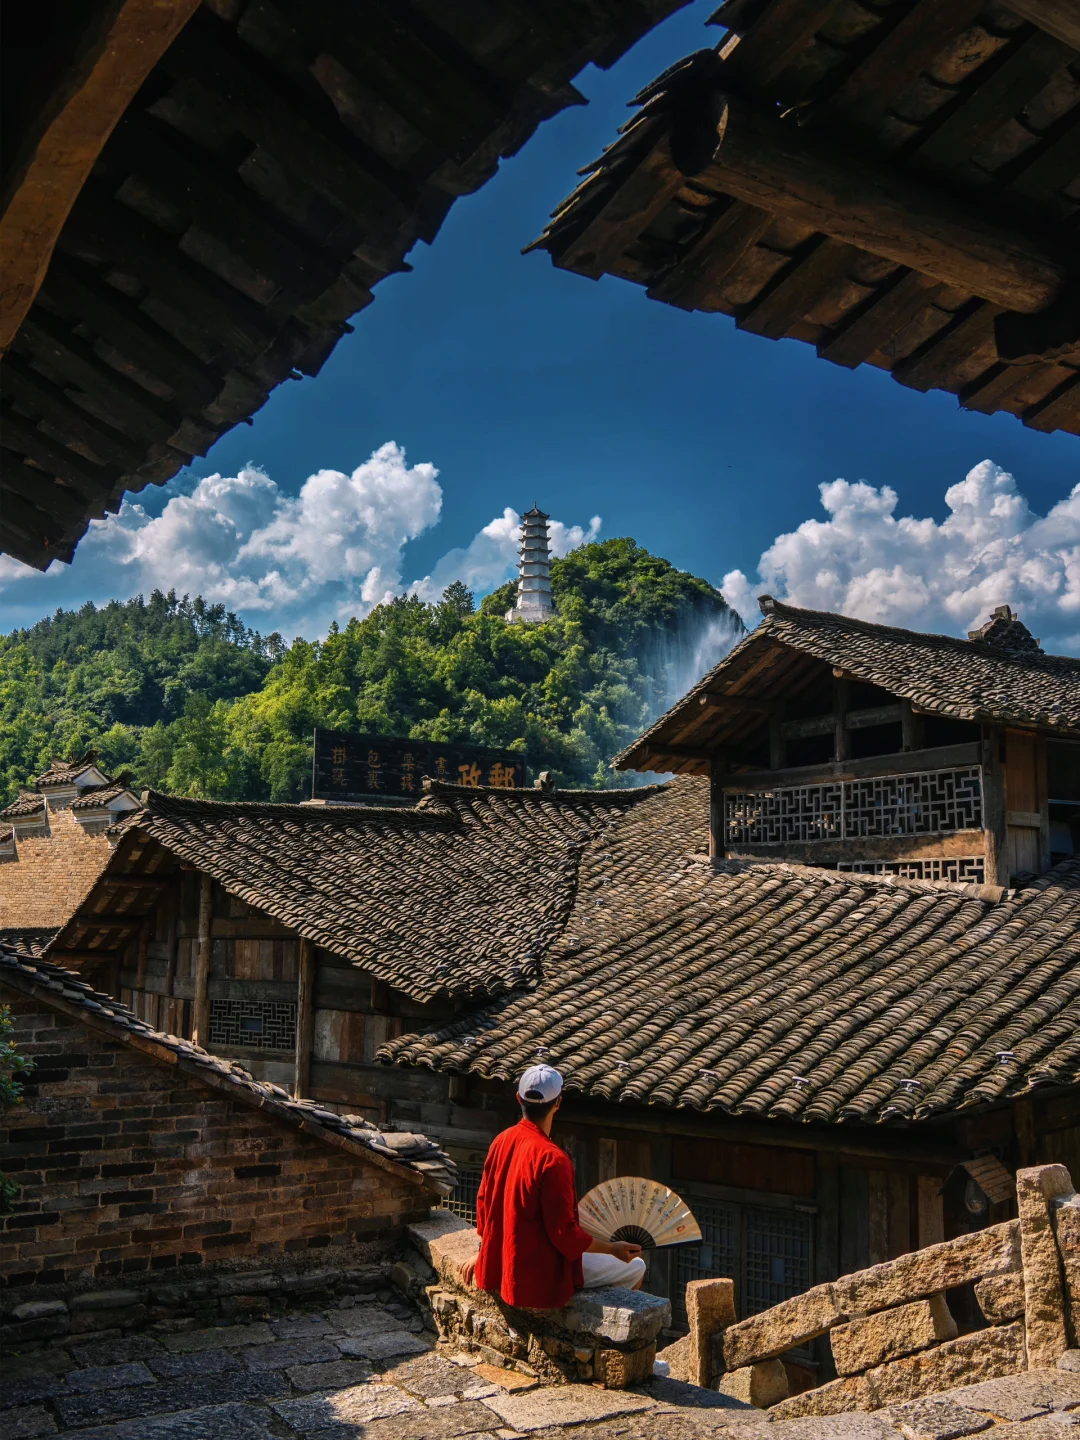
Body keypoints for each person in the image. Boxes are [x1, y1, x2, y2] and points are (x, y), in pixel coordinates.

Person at [462, 1064, 646, 1309]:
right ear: (558, 1103)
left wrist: (486, 1252)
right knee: (636, 1267)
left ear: (519, 1098)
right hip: (536, 1273)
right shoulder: (553, 1159)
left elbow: (485, 1205)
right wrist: (613, 1249)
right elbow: (565, 1236)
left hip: (503, 1258)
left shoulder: (501, 1140)